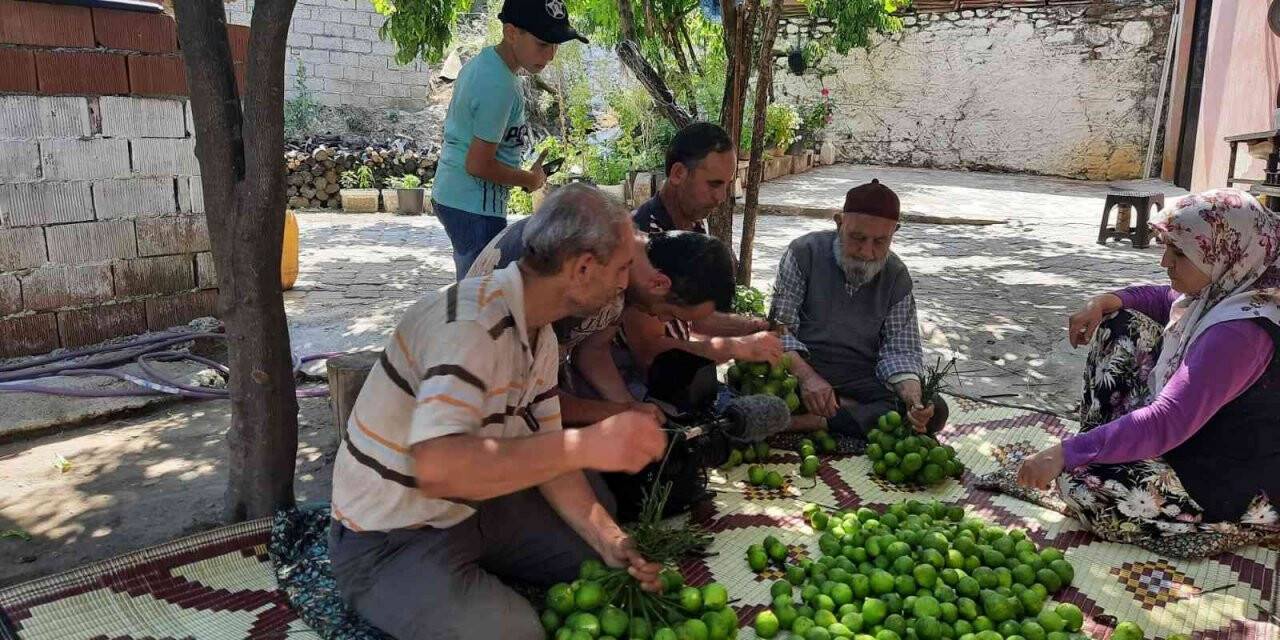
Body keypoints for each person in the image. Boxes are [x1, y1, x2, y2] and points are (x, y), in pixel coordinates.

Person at [328, 184, 667, 640]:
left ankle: (476, 564)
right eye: (622, 267)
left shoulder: (537, 331)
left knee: (599, 536)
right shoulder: (470, 327)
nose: (626, 282)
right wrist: (588, 444)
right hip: (390, 537)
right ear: (584, 268)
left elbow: (547, 449)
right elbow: (440, 469)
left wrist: (610, 539)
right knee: (518, 634)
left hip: (473, 509)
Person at [1017, 189, 1280, 552]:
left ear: (1224, 253)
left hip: (1229, 474)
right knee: (1120, 323)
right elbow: (1165, 298)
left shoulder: (1239, 334)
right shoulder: (1229, 287)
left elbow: (1166, 421)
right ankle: (1106, 443)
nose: (1165, 263)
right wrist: (1106, 300)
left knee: (1080, 482)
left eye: (1179, 253)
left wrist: (1062, 453)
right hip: (1196, 433)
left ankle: (1232, 524)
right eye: (1166, 248)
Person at [467, 210, 751, 425]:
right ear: (660, 284)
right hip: (487, 401)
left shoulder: (624, 270)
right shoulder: (593, 267)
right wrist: (619, 412)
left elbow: (593, 349)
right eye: (672, 314)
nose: (662, 320)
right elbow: (533, 400)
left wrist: (628, 408)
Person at [768, 179, 945, 435]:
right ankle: (848, 414)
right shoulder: (803, 253)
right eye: (858, 238)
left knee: (933, 410)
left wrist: (914, 401)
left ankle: (817, 421)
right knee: (756, 392)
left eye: (879, 241)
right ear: (839, 223)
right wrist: (807, 378)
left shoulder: (896, 277)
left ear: (894, 233)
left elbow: (901, 352)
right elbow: (779, 329)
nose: (866, 252)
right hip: (803, 371)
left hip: (860, 377)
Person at [431, 0, 587, 280]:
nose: (550, 55)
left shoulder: (485, 64)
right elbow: (478, 165)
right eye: (542, 44)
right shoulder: (499, 85)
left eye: (556, 45)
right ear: (511, 32)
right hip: (474, 205)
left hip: (455, 195)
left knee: (475, 289)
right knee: (480, 297)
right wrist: (530, 180)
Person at [628, 121, 781, 361]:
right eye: (714, 184)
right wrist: (735, 347)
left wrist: (753, 327)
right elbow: (649, 349)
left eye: (727, 185)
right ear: (678, 173)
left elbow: (692, 316)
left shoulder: (695, 226)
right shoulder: (644, 239)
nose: (721, 197)